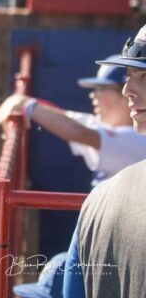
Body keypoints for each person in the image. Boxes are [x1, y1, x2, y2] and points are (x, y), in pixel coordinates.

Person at [63, 26, 146, 297]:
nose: (128, 90)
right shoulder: (98, 200)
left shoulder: (98, 200)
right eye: (129, 75)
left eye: (145, 77)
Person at [0, 56, 146, 186]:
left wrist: (26, 105)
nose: (94, 95)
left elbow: (76, 131)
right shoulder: (106, 126)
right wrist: (26, 103)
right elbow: (64, 117)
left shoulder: (138, 139)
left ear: (126, 96)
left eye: (101, 88)